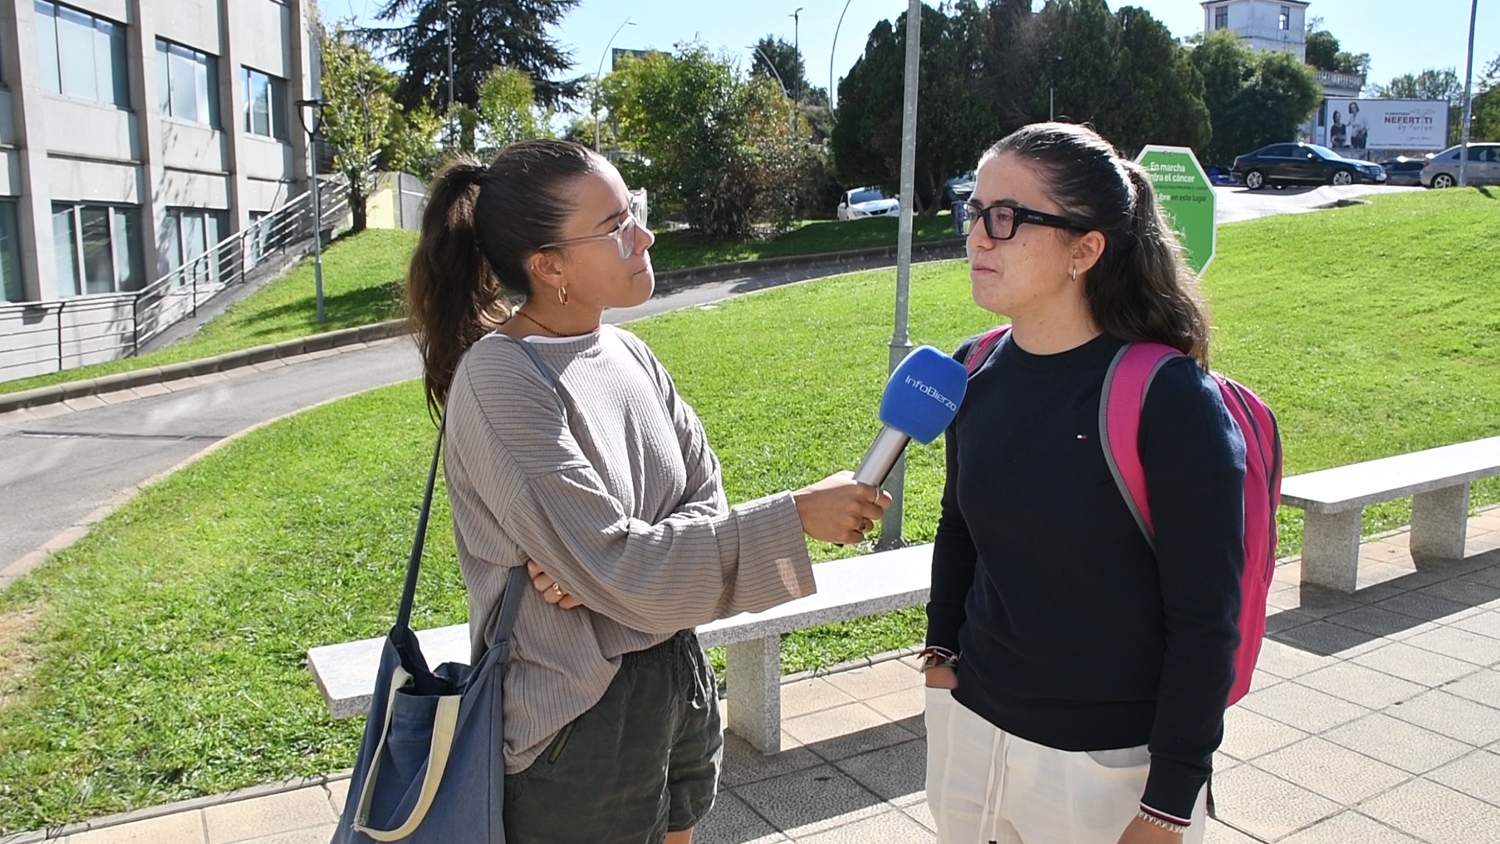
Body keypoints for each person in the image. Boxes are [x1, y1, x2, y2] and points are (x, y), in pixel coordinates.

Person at [405, 139, 892, 844]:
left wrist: (613, 572)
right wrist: (789, 519)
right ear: (549, 266)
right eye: (615, 225)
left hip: (676, 679)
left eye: (633, 209)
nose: (645, 234)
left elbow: (700, 505)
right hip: (575, 721)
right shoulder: (500, 379)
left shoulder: (628, 352)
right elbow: (622, 564)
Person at [922, 122, 1247, 844]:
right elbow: (959, 528)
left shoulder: (1170, 400)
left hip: (1106, 769)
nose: (976, 237)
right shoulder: (971, 367)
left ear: (1085, 250)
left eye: (1005, 217)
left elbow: (1205, 621)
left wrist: (1168, 804)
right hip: (972, 729)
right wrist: (941, 657)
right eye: (973, 211)